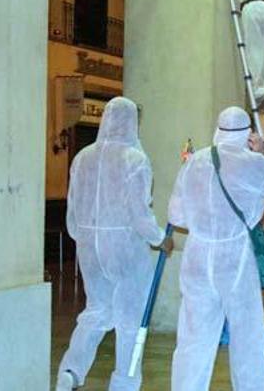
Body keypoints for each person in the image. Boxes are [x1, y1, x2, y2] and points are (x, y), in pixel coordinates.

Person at [168, 107, 264, 391]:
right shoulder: (256, 164)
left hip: (197, 255)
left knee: (193, 337)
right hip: (234, 255)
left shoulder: (195, 161)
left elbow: (175, 216)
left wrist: (204, 221)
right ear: (248, 133)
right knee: (246, 334)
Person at [55, 97, 173, 391]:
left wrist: (84, 237)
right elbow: (139, 213)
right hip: (125, 248)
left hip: (89, 246)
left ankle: (69, 371)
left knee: (96, 310)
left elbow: (72, 208)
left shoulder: (82, 157)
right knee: (130, 320)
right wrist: (160, 239)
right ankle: (124, 384)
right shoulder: (135, 160)